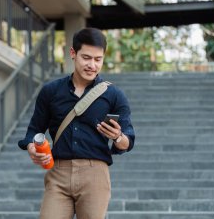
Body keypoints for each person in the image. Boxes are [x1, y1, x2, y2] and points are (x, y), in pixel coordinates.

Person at [18, 27, 135, 219]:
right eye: (86, 58)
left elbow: (128, 141)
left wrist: (117, 136)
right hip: (58, 172)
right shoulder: (51, 91)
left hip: (95, 173)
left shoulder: (114, 95)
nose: (92, 65)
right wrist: (32, 148)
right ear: (73, 53)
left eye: (98, 59)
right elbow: (33, 131)